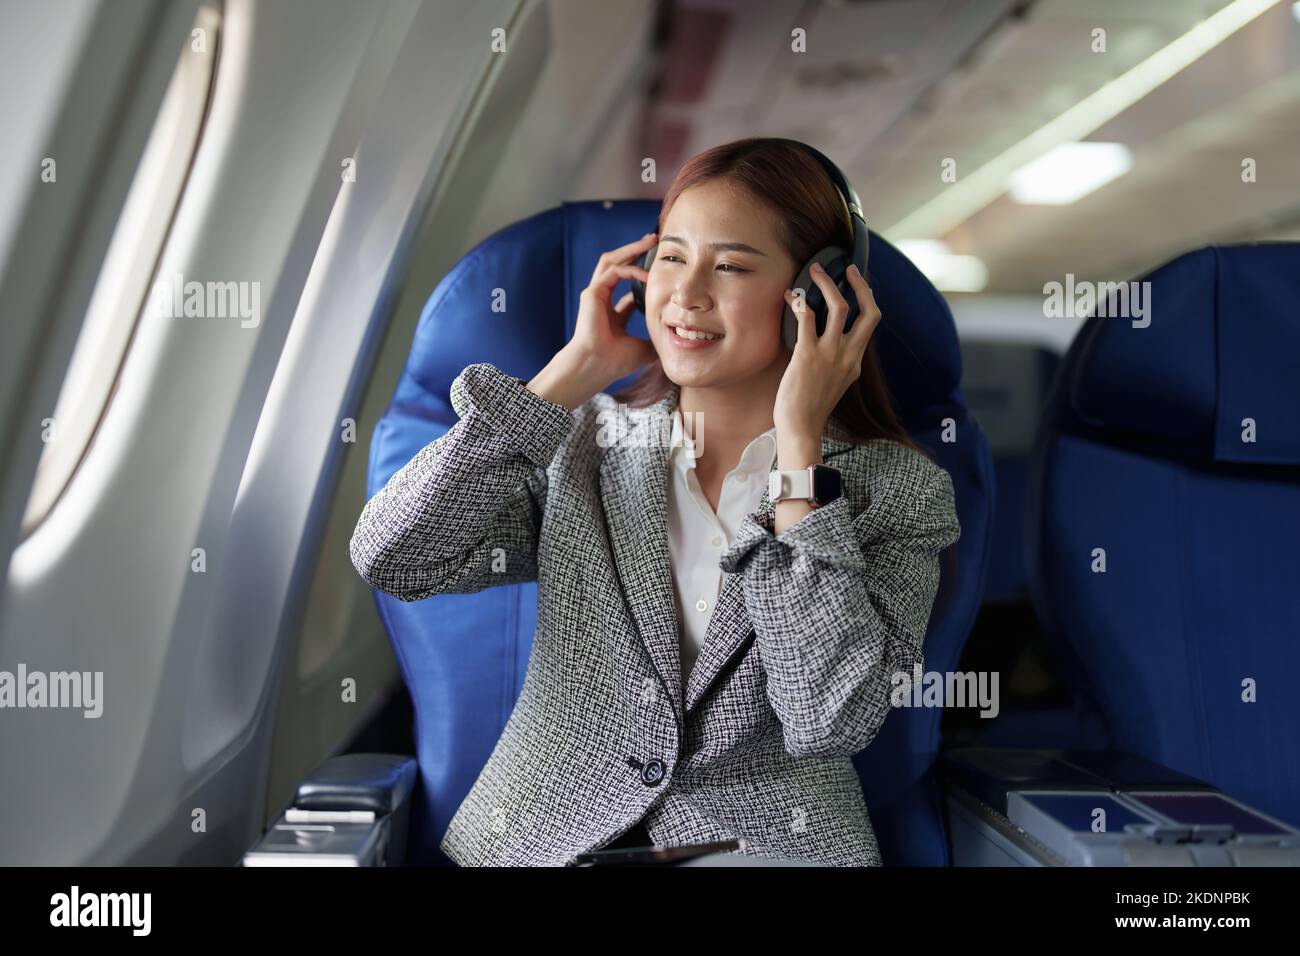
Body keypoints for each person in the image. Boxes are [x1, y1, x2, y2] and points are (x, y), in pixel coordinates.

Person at [349, 137, 961, 866]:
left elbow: (827, 718)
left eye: (730, 265)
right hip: (547, 847)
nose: (687, 293)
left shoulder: (896, 490)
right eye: (672, 257)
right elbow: (395, 556)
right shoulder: (585, 449)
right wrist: (571, 376)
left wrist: (800, 452)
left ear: (816, 295)